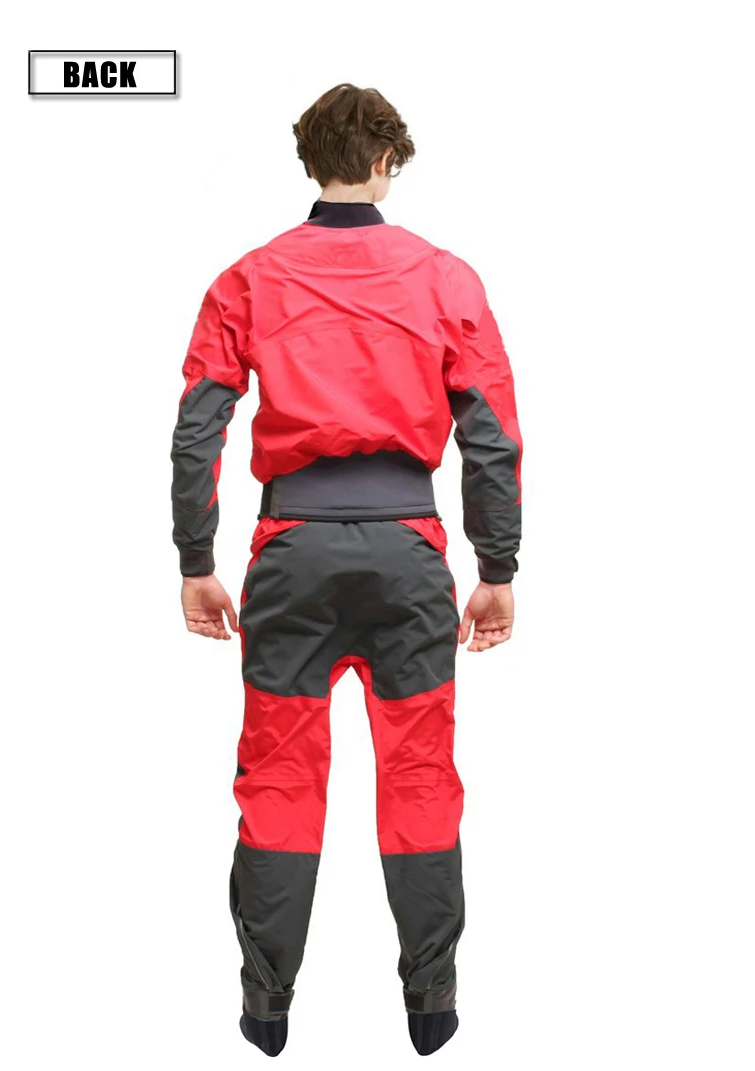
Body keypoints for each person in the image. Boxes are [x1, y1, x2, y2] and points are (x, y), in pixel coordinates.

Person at [171, 83, 522, 1058]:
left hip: (291, 556)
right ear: (384, 162)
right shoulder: (446, 279)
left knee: (279, 780)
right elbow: (490, 435)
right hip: (409, 558)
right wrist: (496, 565)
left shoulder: (247, 279)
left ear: (311, 160)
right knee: (420, 776)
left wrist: (195, 559)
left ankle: (266, 1009)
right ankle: (431, 1006)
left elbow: (198, 428)